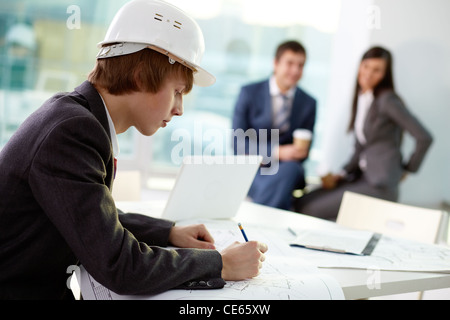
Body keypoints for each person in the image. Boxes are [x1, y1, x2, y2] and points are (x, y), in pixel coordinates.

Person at [0, 0, 267, 300]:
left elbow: (93, 215)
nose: (179, 109)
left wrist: (169, 233)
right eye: (177, 92)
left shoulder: (75, 117)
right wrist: (220, 263)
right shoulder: (72, 132)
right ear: (141, 75)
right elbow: (119, 266)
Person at [294, 46, 433, 221]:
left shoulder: (387, 100)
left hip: (379, 185)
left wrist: (406, 169)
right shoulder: (364, 97)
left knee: (310, 209)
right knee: (301, 201)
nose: (368, 73)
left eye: (377, 70)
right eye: (366, 66)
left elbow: (424, 137)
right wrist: (342, 173)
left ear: (385, 75)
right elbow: (362, 145)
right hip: (361, 178)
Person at [232, 40, 317, 211]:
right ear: (276, 63)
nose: (295, 71)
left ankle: (257, 216)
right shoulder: (249, 93)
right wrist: (277, 152)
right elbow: (238, 144)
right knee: (280, 196)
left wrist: (297, 152)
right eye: (290, 63)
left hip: (288, 170)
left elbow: (304, 154)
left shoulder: (308, 103)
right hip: (253, 167)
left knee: (291, 170)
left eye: (300, 65)